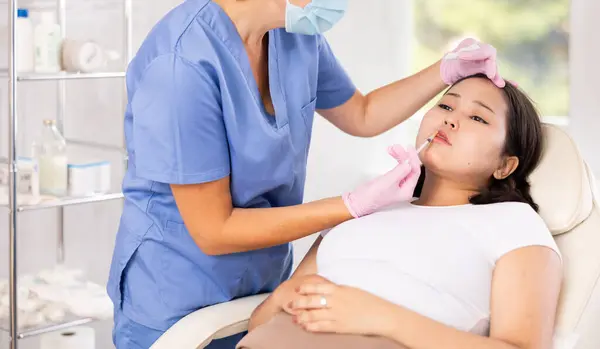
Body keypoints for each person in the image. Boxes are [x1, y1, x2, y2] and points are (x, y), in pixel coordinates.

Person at [106, 0, 505, 347]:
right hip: (174, 290)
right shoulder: (181, 67)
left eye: (476, 117)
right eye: (448, 107)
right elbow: (213, 230)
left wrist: (445, 70)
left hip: (263, 290)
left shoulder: (293, 34)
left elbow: (361, 114)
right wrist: (352, 205)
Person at [239, 74, 563, 349]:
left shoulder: (513, 222)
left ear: (505, 166)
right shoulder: (369, 204)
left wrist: (382, 317)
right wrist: (283, 296)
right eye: (446, 105)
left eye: (477, 118)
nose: (450, 119)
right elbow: (262, 321)